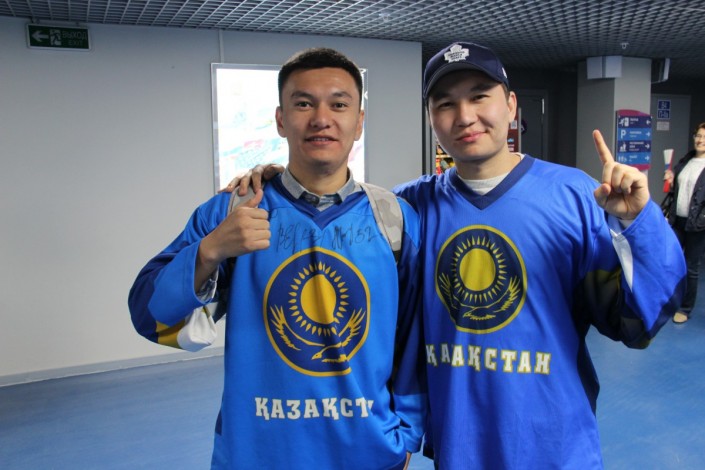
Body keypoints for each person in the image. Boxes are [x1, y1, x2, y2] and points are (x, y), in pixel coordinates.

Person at [228, 42, 686, 469]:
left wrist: (638, 222)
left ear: (511, 105)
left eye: (480, 96)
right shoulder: (408, 209)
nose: (465, 116)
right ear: (431, 118)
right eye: (445, 103)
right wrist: (276, 181)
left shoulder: (575, 197)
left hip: (555, 445)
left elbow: (639, 319)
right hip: (459, 446)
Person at [128, 47, 427, 470]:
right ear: (281, 120)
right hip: (257, 453)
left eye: (339, 104)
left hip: (367, 452)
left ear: (359, 121)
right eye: (303, 103)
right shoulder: (232, 212)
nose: (321, 118)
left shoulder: (394, 219)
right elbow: (149, 315)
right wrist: (210, 250)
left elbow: (414, 337)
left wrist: (405, 435)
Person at [663, 122, 705, 324]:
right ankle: (668, 301)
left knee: (690, 267)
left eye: (704, 137)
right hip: (677, 219)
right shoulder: (686, 160)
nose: (700, 140)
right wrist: (671, 178)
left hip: (698, 224)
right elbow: (679, 190)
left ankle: (685, 308)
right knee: (671, 261)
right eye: (698, 136)